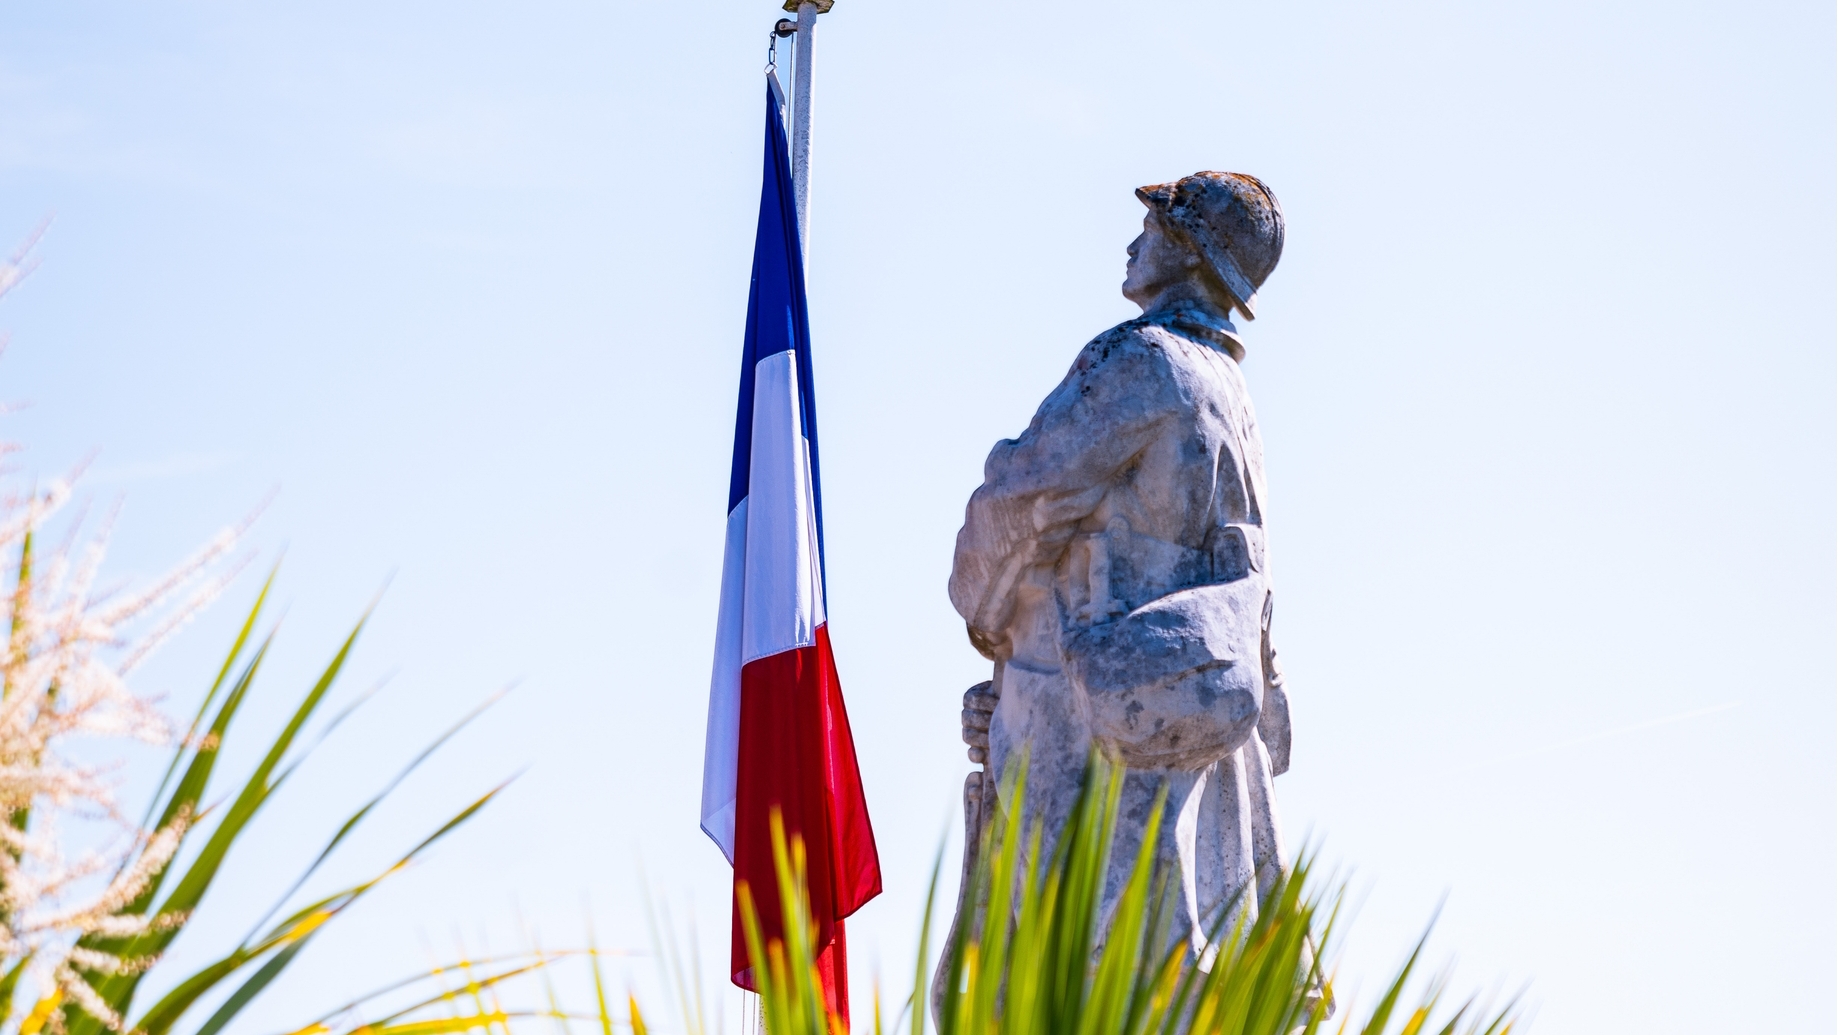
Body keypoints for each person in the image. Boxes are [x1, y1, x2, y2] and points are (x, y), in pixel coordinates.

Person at [950, 171, 1294, 956]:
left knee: (1071, 965)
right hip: (1186, 727)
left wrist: (992, 626)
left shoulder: (1141, 362)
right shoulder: (1232, 395)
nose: (1134, 242)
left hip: (1091, 731)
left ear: (1187, 253)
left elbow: (1018, 498)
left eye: (1155, 229)